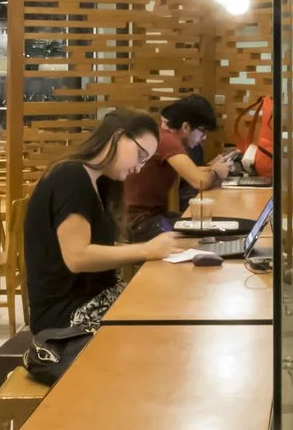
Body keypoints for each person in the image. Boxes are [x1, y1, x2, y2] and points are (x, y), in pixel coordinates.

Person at [23, 109, 188, 340]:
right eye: (140, 156)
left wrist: (154, 249)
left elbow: (101, 246)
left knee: (173, 305)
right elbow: (77, 257)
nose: (139, 168)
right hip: (67, 315)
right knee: (166, 326)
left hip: (94, 298)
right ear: (118, 136)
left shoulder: (99, 182)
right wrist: (146, 250)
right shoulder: (71, 177)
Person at [119, 94, 234, 242]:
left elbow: (194, 171)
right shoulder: (167, 141)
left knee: (204, 226)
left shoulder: (163, 136)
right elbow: (199, 181)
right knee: (200, 233)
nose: (204, 138)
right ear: (186, 127)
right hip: (140, 225)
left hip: (149, 220)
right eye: (202, 131)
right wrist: (215, 171)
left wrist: (212, 167)